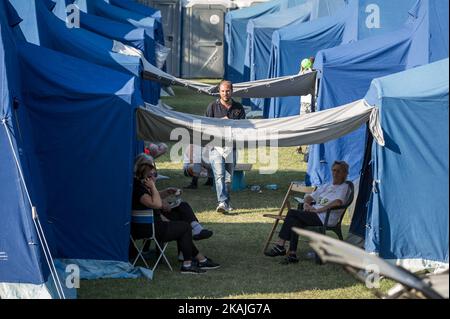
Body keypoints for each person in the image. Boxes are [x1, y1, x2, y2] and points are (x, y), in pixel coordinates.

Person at [131, 155, 219, 274]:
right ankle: (188, 265)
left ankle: (198, 258)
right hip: (150, 229)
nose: (155, 177)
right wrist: (153, 187)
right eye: (153, 175)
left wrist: (164, 191)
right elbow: (156, 204)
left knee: (183, 216)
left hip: (150, 225)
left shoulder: (140, 186)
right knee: (185, 227)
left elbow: (154, 202)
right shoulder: (140, 190)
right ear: (146, 175)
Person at [265, 161, 350, 264]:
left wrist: (318, 209)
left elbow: (337, 202)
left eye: (339, 171)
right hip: (315, 214)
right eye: (334, 170)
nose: (335, 173)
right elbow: (310, 196)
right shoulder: (327, 186)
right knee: (295, 221)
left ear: (345, 173)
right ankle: (292, 254)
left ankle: (280, 245)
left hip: (325, 218)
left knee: (292, 213)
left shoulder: (344, 187)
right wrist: (306, 204)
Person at [205, 80, 246, 214]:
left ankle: (226, 203)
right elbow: (205, 127)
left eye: (227, 91)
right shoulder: (212, 107)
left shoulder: (239, 107)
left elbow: (243, 128)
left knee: (229, 177)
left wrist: (231, 124)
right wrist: (219, 123)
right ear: (219, 92)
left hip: (231, 147)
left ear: (232, 91)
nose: (225, 93)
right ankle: (221, 201)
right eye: (222, 91)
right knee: (219, 175)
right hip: (215, 146)